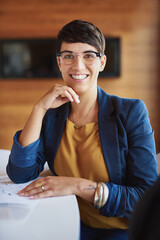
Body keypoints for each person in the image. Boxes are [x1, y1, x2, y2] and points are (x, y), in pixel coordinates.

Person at [7, 20, 158, 240]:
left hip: (120, 232)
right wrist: (39, 108)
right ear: (59, 62)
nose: (78, 66)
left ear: (102, 62)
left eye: (88, 55)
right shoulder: (52, 115)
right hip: (68, 223)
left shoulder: (131, 112)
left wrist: (78, 186)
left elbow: (145, 197)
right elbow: (20, 173)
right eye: (68, 56)